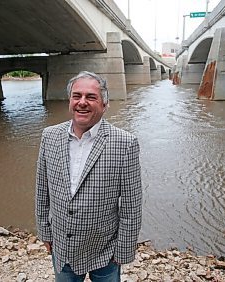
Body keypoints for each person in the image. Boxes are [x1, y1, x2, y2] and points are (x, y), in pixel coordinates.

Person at [35, 71, 143, 281]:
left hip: (106, 251)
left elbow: (132, 204)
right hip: (62, 247)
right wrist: (44, 232)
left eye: (90, 97)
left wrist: (124, 250)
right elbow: (41, 190)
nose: (82, 102)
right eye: (77, 96)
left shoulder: (125, 143)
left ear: (104, 104)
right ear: (70, 101)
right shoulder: (49, 136)